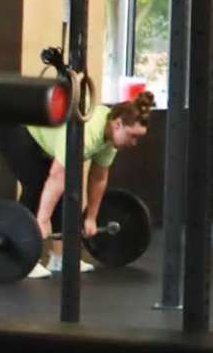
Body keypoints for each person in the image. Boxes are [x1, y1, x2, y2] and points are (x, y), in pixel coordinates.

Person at [34, 84, 155, 277]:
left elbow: (98, 177)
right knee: (36, 184)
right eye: (132, 136)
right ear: (118, 124)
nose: (134, 143)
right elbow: (57, 176)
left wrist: (91, 217)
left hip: (47, 136)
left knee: (62, 191)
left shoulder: (109, 139)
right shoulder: (88, 132)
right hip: (22, 127)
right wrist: (42, 219)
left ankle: (60, 258)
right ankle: (27, 259)